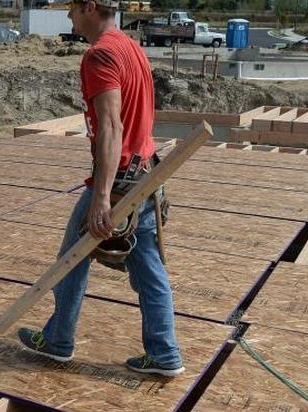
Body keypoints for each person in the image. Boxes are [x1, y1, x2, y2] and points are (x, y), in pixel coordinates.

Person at [17, 0, 183, 377]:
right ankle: (164, 353)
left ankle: (59, 340)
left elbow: (111, 127)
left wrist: (103, 197)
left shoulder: (100, 56)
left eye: (72, 8)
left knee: (70, 261)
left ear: (90, 7)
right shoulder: (130, 47)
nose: (68, 16)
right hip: (143, 175)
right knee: (149, 270)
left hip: (120, 181)